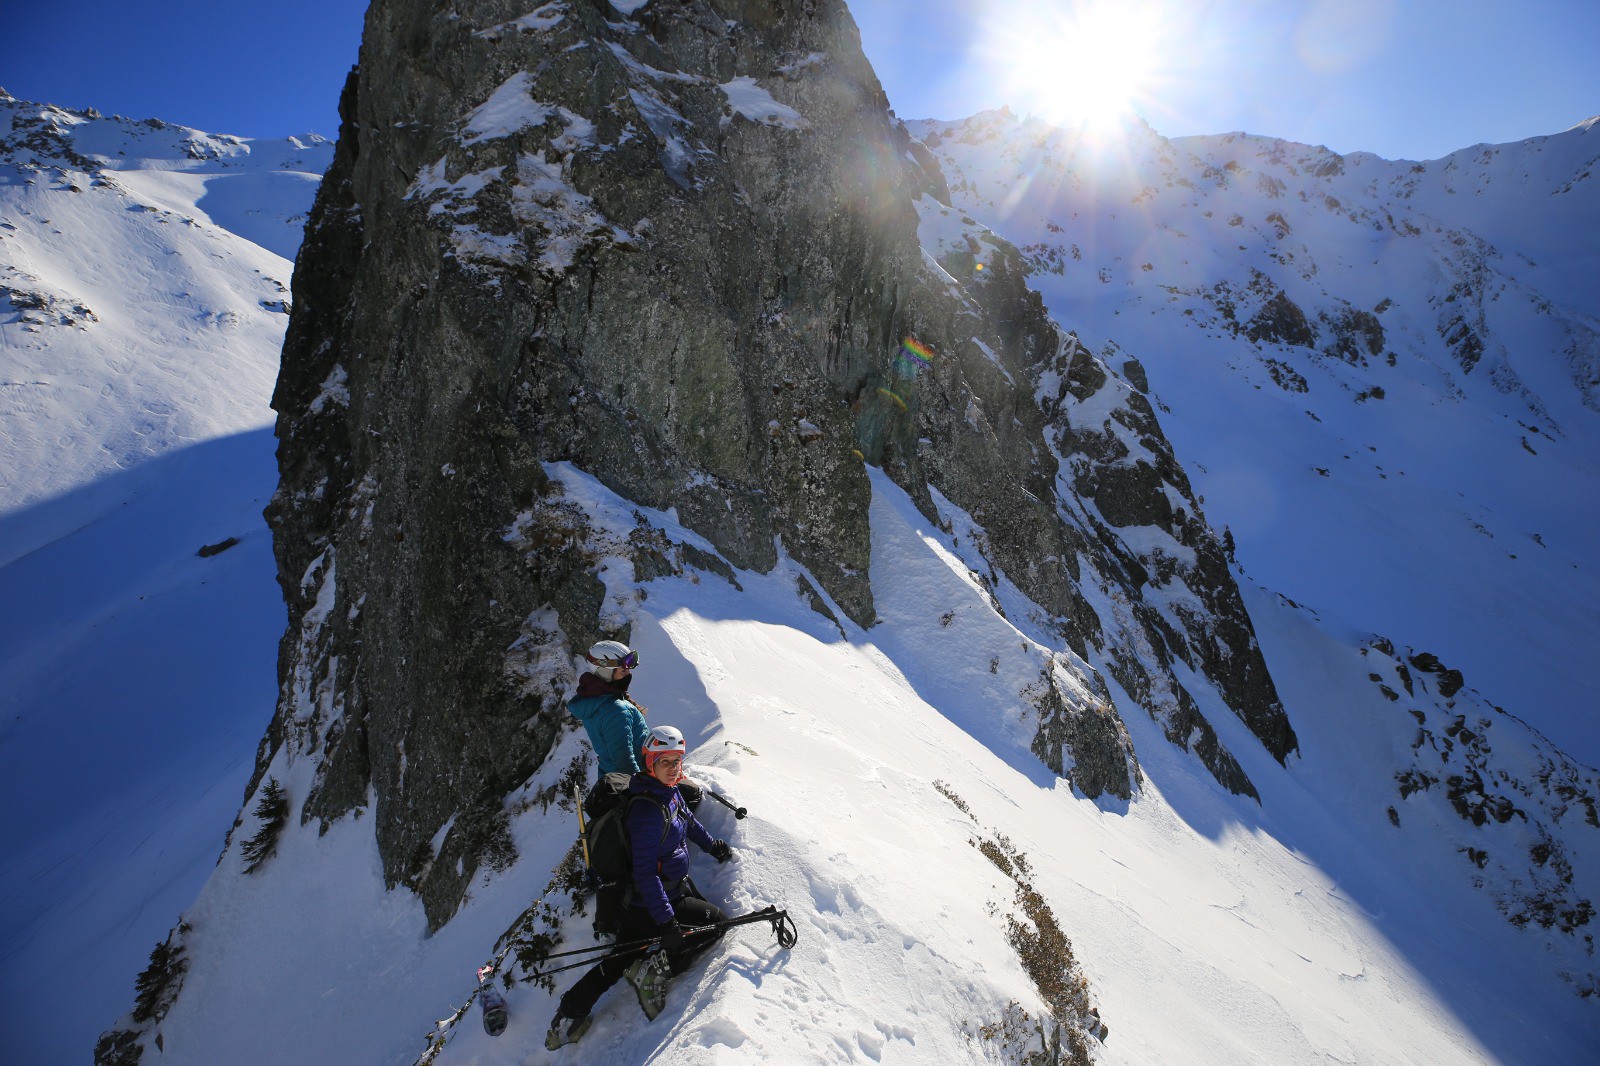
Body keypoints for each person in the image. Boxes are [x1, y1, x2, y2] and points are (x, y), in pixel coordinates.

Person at [546, 726, 734, 1049]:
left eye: (677, 760)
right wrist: (667, 923)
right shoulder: (646, 812)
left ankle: (572, 1010)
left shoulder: (669, 791)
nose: (674, 768)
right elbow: (646, 877)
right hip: (650, 904)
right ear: (650, 763)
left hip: (664, 895)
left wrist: (713, 845)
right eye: (666, 762)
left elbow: (688, 820)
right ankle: (651, 973)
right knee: (712, 926)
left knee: (619, 960)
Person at [569, 640, 703, 809]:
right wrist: (646, 791)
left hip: (614, 776)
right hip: (634, 780)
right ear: (603, 669)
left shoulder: (596, 697)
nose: (628, 673)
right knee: (691, 793)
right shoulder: (615, 708)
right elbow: (623, 760)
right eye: (622, 668)